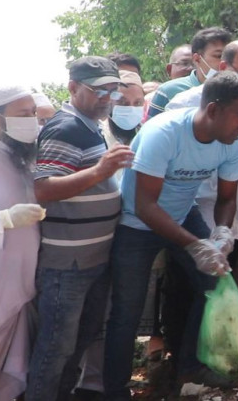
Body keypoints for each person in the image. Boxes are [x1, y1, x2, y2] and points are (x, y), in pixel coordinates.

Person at [103, 71, 238, 397]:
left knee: (213, 282)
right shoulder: (165, 133)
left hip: (182, 214)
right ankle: (115, 390)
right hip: (137, 223)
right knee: (126, 313)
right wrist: (195, 245)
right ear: (214, 110)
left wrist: (221, 233)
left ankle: (189, 370)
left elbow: (228, 198)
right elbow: (145, 206)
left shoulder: (232, 142)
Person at [28, 56, 132, 400]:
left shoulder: (90, 124)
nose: (108, 99)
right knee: (56, 348)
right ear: (73, 88)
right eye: (100, 91)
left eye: (113, 91)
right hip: (67, 264)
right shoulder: (65, 127)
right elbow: (44, 188)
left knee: (79, 342)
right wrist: (100, 172)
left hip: (92, 259)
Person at [165, 39, 238, 345]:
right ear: (223, 67)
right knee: (191, 281)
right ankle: (182, 352)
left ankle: (234, 340)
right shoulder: (185, 103)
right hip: (195, 206)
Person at [74, 69, 146, 398]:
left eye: (137, 101)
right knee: (93, 317)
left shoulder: (148, 134)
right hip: (96, 240)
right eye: (122, 100)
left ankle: (111, 380)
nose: (129, 107)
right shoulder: (95, 133)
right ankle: (89, 384)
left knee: (121, 313)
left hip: (133, 238)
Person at [0, 84, 44, 400]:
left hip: (16, 291)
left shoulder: (21, 154)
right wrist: (4, 219)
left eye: (33, 112)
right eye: (23, 114)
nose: (32, 120)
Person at [148, 28, 233, 118]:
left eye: (229, 56)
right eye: (218, 56)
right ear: (197, 59)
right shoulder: (167, 91)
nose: (224, 62)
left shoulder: (236, 91)